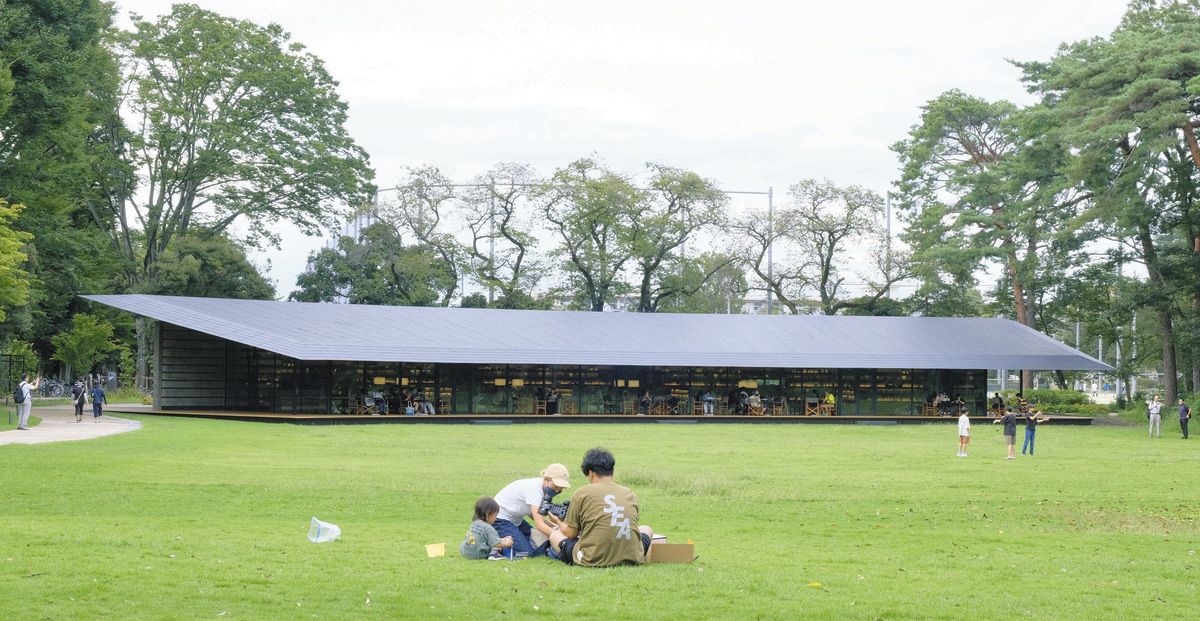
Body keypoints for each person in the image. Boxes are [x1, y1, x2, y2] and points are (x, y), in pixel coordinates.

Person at [544, 448, 653, 567]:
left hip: (592, 559)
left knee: (554, 535)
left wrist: (557, 521)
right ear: (611, 470)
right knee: (646, 529)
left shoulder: (582, 493)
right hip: (632, 558)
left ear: (591, 473)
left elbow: (571, 534)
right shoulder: (630, 494)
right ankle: (639, 556)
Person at [491, 463, 571, 558]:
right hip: (499, 520)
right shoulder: (534, 490)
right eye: (556, 486)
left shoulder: (544, 490)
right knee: (526, 553)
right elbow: (539, 524)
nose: (557, 490)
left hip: (516, 520)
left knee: (539, 544)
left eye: (561, 488)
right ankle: (494, 546)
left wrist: (556, 527)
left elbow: (535, 515)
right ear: (546, 480)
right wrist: (559, 537)